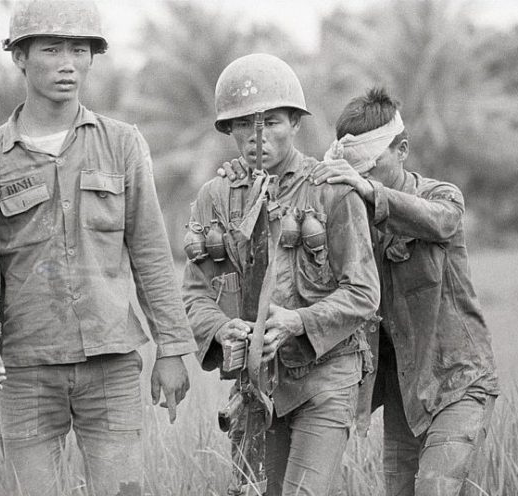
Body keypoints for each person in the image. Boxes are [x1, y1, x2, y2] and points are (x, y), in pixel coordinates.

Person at [0, 1, 197, 495]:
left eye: (80, 49)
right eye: (51, 49)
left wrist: (172, 349)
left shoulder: (123, 144)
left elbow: (152, 254)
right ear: (20, 58)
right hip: (26, 369)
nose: (68, 63)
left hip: (111, 364)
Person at [181, 53, 380, 496]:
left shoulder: (329, 190)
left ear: (294, 123)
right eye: (244, 124)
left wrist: (297, 322)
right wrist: (221, 329)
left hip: (325, 375)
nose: (258, 137)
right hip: (255, 385)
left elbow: (364, 293)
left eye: (271, 121)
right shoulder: (214, 198)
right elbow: (194, 296)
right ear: (229, 130)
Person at [308, 87, 500, 495]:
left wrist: (370, 193)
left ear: (403, 150)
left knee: (434, 487)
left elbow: (442, 222)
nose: (361, 180)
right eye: (355, 172)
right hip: (403, 392)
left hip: (457, 380)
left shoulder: (441, 197)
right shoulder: (351, 216)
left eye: (370, 169)